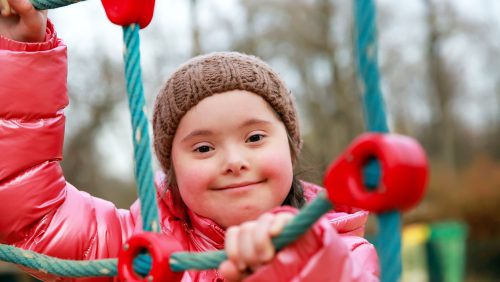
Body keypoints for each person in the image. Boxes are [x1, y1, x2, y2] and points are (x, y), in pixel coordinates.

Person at [0, 0, 380, 281]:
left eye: (254, 137)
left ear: (290, 146)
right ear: (173, 170)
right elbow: (31, 217)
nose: (234, 160)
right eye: (203, 148)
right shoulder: (139, 242)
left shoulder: (345, 249)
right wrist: (20, 50)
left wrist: (299, 257)